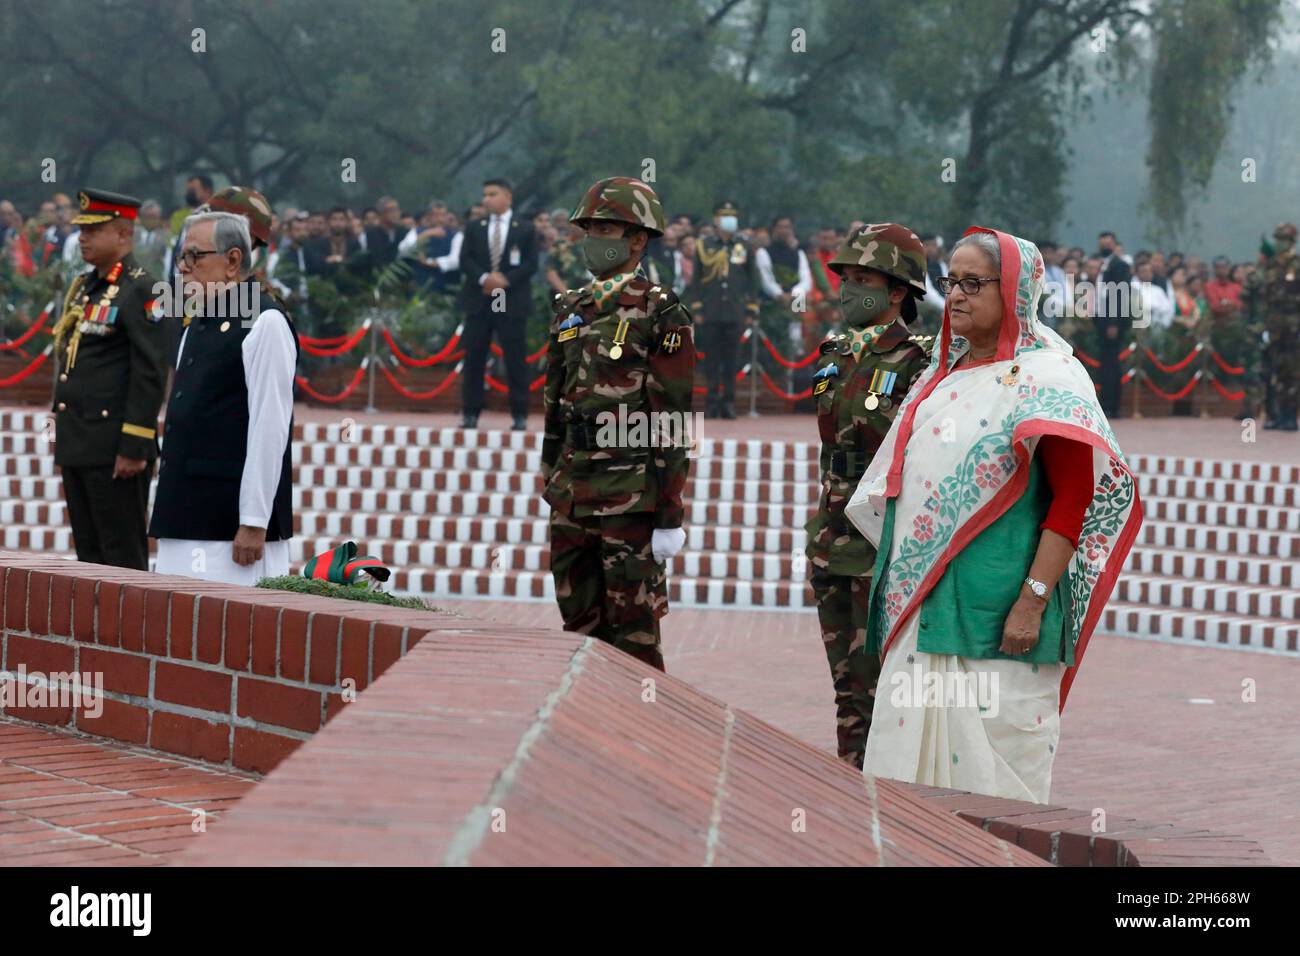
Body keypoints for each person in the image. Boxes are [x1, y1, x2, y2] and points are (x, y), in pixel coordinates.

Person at [844, 227, 1142, 803]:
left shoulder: (1049, 379)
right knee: (906, 797)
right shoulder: (938, 376)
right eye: (950, 282)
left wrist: (1031, 601)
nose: (955, 296)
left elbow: (1074, 499)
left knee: (999, 803)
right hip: (926, 614)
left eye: (973, 284)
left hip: (1003, 622)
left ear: (1016, 292)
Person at [541, 177, 694, 671]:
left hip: (631, 496)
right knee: (578, 628)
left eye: (605, 229)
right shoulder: (570, 307)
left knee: (634, 635)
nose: (592, 239)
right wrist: (548, 469)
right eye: (588, 229)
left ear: (637, 239)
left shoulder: (661, 309)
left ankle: (643, 735)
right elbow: (554, 399)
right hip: (572, 491)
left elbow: (673, 416)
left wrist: (670, 511)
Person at [804, 222, 933, 769]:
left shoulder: (920, 361)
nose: (848, 289)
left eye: (863, 279)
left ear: (897, 291)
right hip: (831, 538)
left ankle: (891, 793)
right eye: (846, 278)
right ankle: (852, 787)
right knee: (846, 687)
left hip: (883, 541)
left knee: (884, 681)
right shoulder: (833, 352)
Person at [148, 210, 298, 584]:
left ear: (233, 261)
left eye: (195, 257)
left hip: (228, 524)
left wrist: (253, 520)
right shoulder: (198, 322)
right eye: (182, 257)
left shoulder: (265, 321)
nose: (183, 269)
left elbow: (270, 426)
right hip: (185, 510)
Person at [50, 189, 169, 570]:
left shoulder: (144, 289)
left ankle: (132, 631)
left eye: (94, 230)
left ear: (122, 234)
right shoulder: (86, 286)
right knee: (89, 556)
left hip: (115, 446)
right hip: (80, 440)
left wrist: (135, 445)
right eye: (82, 230)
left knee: (120, 556)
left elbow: (150, 370)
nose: (82, 237)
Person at [457, 178, 537, 430]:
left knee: (515, 358)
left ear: (507, 197)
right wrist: (485, 278)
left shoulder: (524, 228)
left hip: (510, 299)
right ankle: (470, 413)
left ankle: (520, 414)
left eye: (492, 194)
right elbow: (465, 259)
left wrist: (504, 280)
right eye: (485, 194)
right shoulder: (474, 227)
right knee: (474, 357)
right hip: (480, 298)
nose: (486, 199)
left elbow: (531, 263)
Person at [686, 201, 760, 419]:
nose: (730, 219)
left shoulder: (743, 245)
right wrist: (697, 308)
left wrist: (751, 309)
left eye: (732, 215)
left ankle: (728, 402)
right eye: (725, 215)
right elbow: (696, 279)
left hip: (735, 311)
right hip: (710, 311)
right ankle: (711, 402)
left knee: (731, 360)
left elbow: (752, 279)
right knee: (711, 360)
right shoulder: (704, 245)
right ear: (716, 220)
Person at [1244, 223, 1300, 430]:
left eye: (1283, 240)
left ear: (1291, 242)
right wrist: (1265, 326)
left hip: (1294, 327)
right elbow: (1264, 297)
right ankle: (1275, 414)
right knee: (1273, 372)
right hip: (1274, 327)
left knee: (1292, 373)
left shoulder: (1297, 264)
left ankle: (1290, 416)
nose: (1279, 244)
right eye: (1277, 240)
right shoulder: (1271, 267)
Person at [1094, 230, 1132, 416]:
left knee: (1110, 364)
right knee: (1107, 362)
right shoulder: (1103, 265)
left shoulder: (1120, 266)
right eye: (1102, 244)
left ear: (1115, 245)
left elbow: (1120, 295)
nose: (1105, 247)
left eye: (1108, 244)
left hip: (1112, 320)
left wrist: (1113, 323)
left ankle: (1110, 405)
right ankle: (1108, 403)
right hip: (1102, 319)